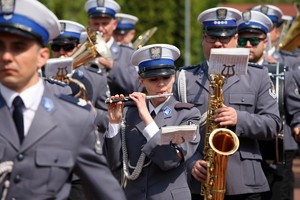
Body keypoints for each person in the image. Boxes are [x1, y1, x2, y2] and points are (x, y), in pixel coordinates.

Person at [0, 0, 126, 199]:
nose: (6, 56)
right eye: (0, 46)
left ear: (42, 56)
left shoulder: (75, 119)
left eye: (18, 47)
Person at [173, 7, 281, 200]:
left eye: (224, 38)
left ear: (235, 38)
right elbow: (172, 128)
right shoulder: (184, 78)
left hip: (245, 183)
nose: (217, 44)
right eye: (211, 38)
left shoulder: (258, 76)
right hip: (199, 182)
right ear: (203, 38)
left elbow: (273, 125)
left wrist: (239, 118)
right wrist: (190, 162)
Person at [103, 44, 201, 200]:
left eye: (166, 77)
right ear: (141, 80)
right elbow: (113, 163)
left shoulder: (187, 114)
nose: (161, 84)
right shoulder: (129, 113)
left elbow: (169, 161)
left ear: (174, 76)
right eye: (153, 79)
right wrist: (114, 123)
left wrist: (146, 118)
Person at [252, 5, 300, 200]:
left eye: (270, 27)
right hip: (252, 141)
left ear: (277, 31)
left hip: (282, 143)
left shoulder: (289, 62)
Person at [49, 19, 109, 133]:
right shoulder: (38, 75)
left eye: (68, 47)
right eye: (56, 47)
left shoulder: (96, 78)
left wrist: (94, 113)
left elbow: (109, 119)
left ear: (78, 46)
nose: (61, 52)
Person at [85, 0, 143, 96]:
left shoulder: (128, 54)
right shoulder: (79, 49)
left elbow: (137, 88)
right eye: (96, 24)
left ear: (114, 25)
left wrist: (113, 67)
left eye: (105, 24)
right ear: (89, 24)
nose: (100, 29)